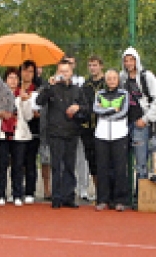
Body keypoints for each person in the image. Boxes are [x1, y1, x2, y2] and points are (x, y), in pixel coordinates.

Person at [36, 58, 89, 209]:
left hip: (72, 132)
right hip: (55, 132)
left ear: (71, 72)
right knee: (56, 165)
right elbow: (39, 101)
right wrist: (48, 86)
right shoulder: (51, 87)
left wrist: (78, 108)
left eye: (66, 71)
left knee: (70, 166)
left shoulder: (77, 90)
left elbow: (87, 108)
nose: (64, 74)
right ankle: (56, 197)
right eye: (61, 71)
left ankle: (69, 196)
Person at [119, 47, 156, 190]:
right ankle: (126, 194)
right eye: (126, 60)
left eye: (131, 60)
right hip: (125, 123)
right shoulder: (122, 77)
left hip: (140, 124)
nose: (129, 63)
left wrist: (146, 119)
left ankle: (141, 194)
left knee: (141, 162)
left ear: (136, 60)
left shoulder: (146, 76)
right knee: (123, 161)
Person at [0, 69, 31, 206]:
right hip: (2, 134)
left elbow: (28, 116)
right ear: (5, 80)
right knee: (2, 165)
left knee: (18, 165)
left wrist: (24, 101)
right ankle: (1, 194)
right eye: (10, 77)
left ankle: (17, 194)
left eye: (15, 78)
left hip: (19, 135)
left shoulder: (22, 95)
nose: (13, 81)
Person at [93, 69, 131, 210]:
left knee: (120, 168)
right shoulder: (99, 94)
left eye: (114, 78)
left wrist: (106, 112)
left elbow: (123, 111)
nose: (112, 81)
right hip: (101, 135)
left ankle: (120, 200)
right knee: (102, 168)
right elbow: (96, 109)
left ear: (118, 79)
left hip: (119, 134)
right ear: (105, 80)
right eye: (109, 78)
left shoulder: (124, 94)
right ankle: (103, 199)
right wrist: (112, 110)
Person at [79, 55, 106, 201]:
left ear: (101, 66)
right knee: (92, 161)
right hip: (88, 128)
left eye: (95, 65)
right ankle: (98, 192)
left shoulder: (107, 83)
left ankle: (108, 192)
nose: (92, 68)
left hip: (104, 127)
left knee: (105, 161)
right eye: (90, 65)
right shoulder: (86, 85)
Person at [18, 60, 42, 202]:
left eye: (30, 71)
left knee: (30, 161)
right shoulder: (15, 88)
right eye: (24, 70)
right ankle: (17, 189)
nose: (27, 74)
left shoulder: (38, 90)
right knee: (17, 161)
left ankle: (30, 191)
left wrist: (37, 113)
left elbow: (42, 109)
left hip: (33, 129)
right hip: (17, 129)